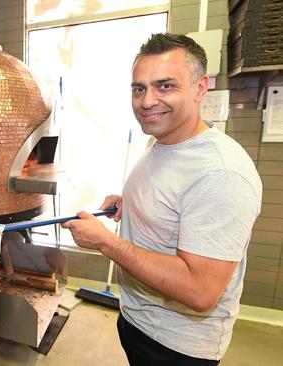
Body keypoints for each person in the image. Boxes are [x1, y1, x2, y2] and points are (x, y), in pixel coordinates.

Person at [62, 33, 262, 366]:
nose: (147, 101)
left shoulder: (220, 172)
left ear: (200, 88)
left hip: (177, 345)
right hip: (138, 319)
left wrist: (106, 244)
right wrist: (131, 203)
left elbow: (200, 291)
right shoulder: (163, 140)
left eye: (165, 86)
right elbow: (170, 199)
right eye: (139, 88)